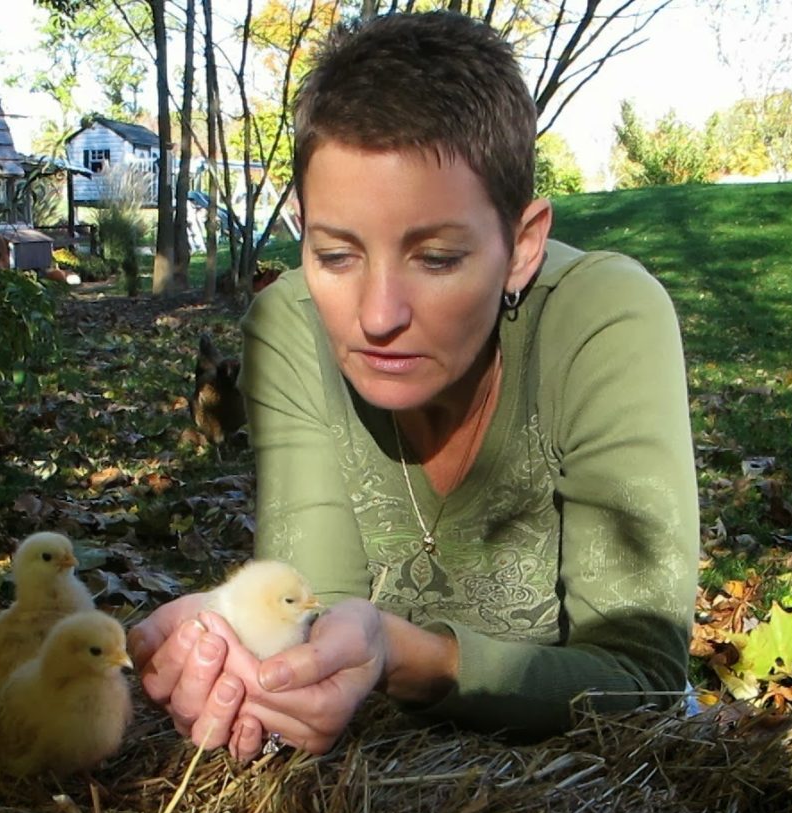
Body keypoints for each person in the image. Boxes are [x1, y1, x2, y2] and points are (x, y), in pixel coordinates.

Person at [128, 11, 699, 758]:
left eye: (435, 259)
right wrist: (248, 655)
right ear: (301, 230)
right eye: (335, 255)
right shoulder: (289, 327)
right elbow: (313, 616)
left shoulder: (604, 320)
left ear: (522, 246)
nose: (377, 316)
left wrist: (407, 658)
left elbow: (643, 676)